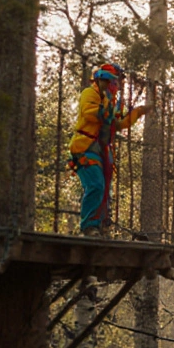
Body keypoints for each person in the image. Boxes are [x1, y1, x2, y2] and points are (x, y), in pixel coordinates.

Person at [69, 63, 145, 237]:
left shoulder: (112, 101)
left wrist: (138, 112)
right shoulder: (90, 93)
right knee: (95, 184)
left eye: (117, 83)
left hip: (102, 150)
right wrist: (108, 106)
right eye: (113, 82)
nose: (115, 86)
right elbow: (90, 113)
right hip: (84, 146)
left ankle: (101, 225)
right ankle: (89, 226)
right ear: (102, 81)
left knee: (104, 189)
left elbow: (117, 124)